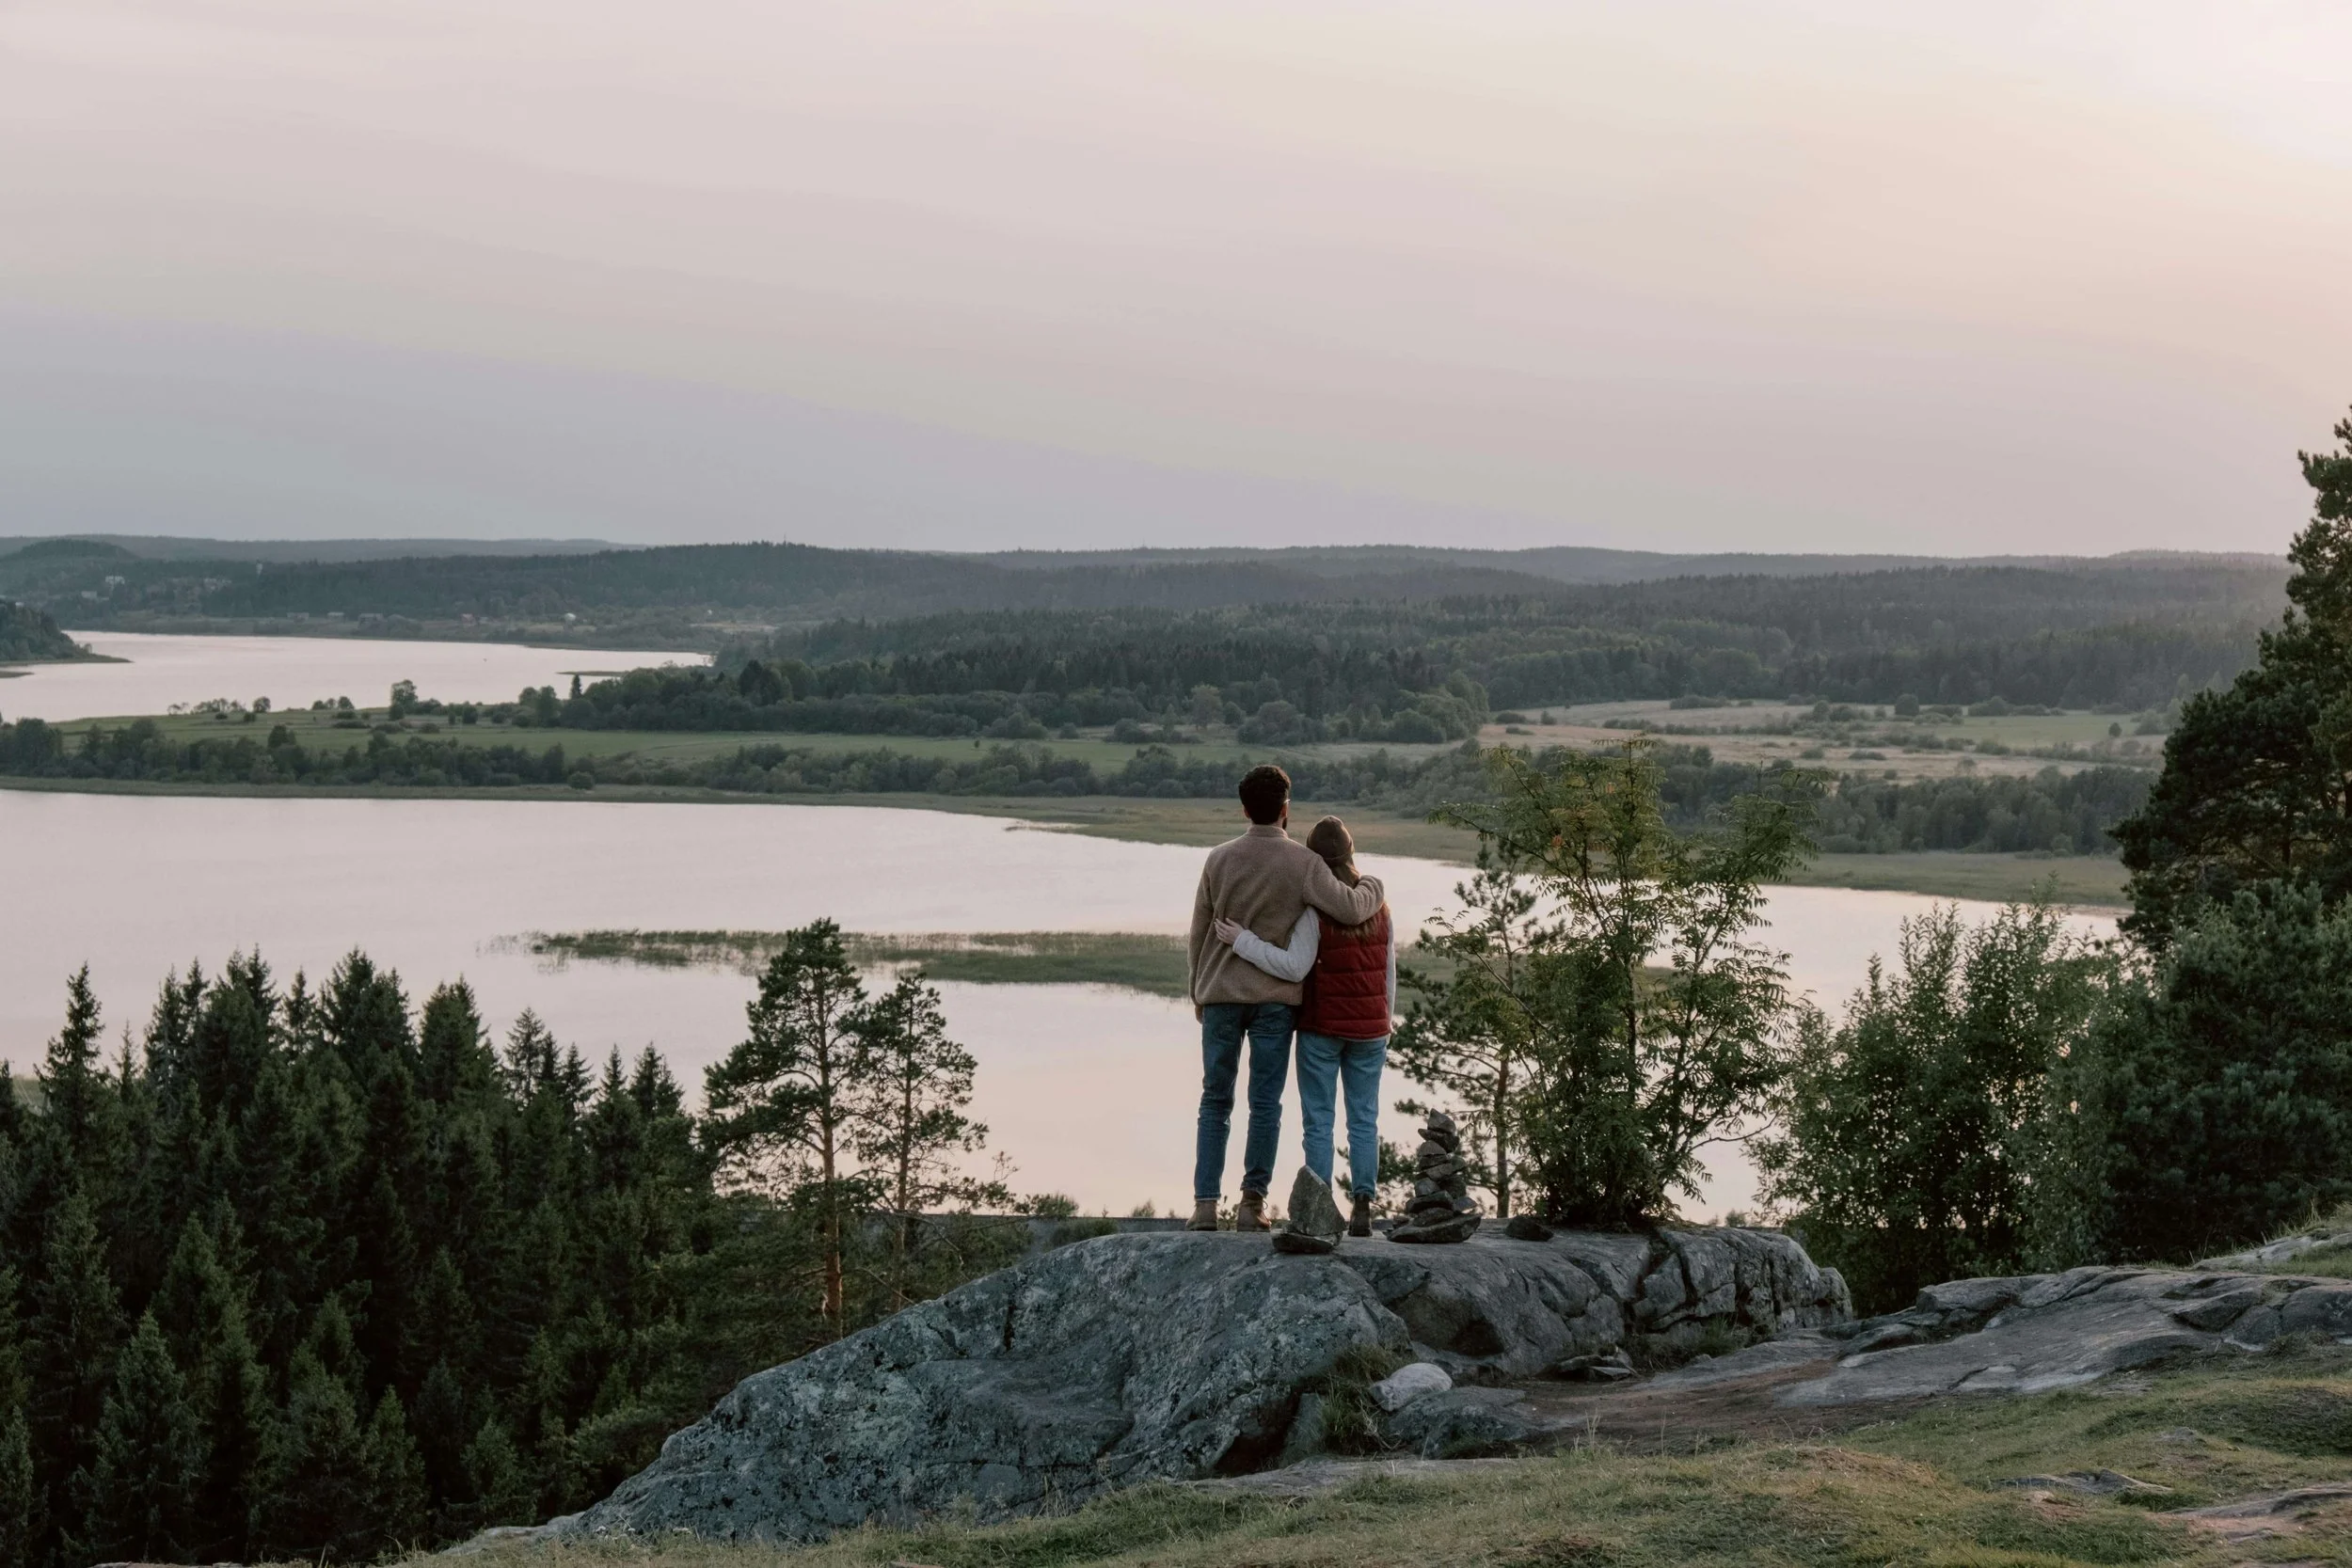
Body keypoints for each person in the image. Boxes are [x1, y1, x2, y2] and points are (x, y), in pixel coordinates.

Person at [1186, 766, 1385, 1232]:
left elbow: (1198, 932)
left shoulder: (1217, 860)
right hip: (1276, 1000)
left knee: (1215, 1100)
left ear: (1244, 808)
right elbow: (1353, 908)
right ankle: (1252, 1205)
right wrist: (1377, 885)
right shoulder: (1304, 864)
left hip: (1219, 994)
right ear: (1286, 810)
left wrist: (1197, 988)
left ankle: (1204, 1207)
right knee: (1265, 1103)